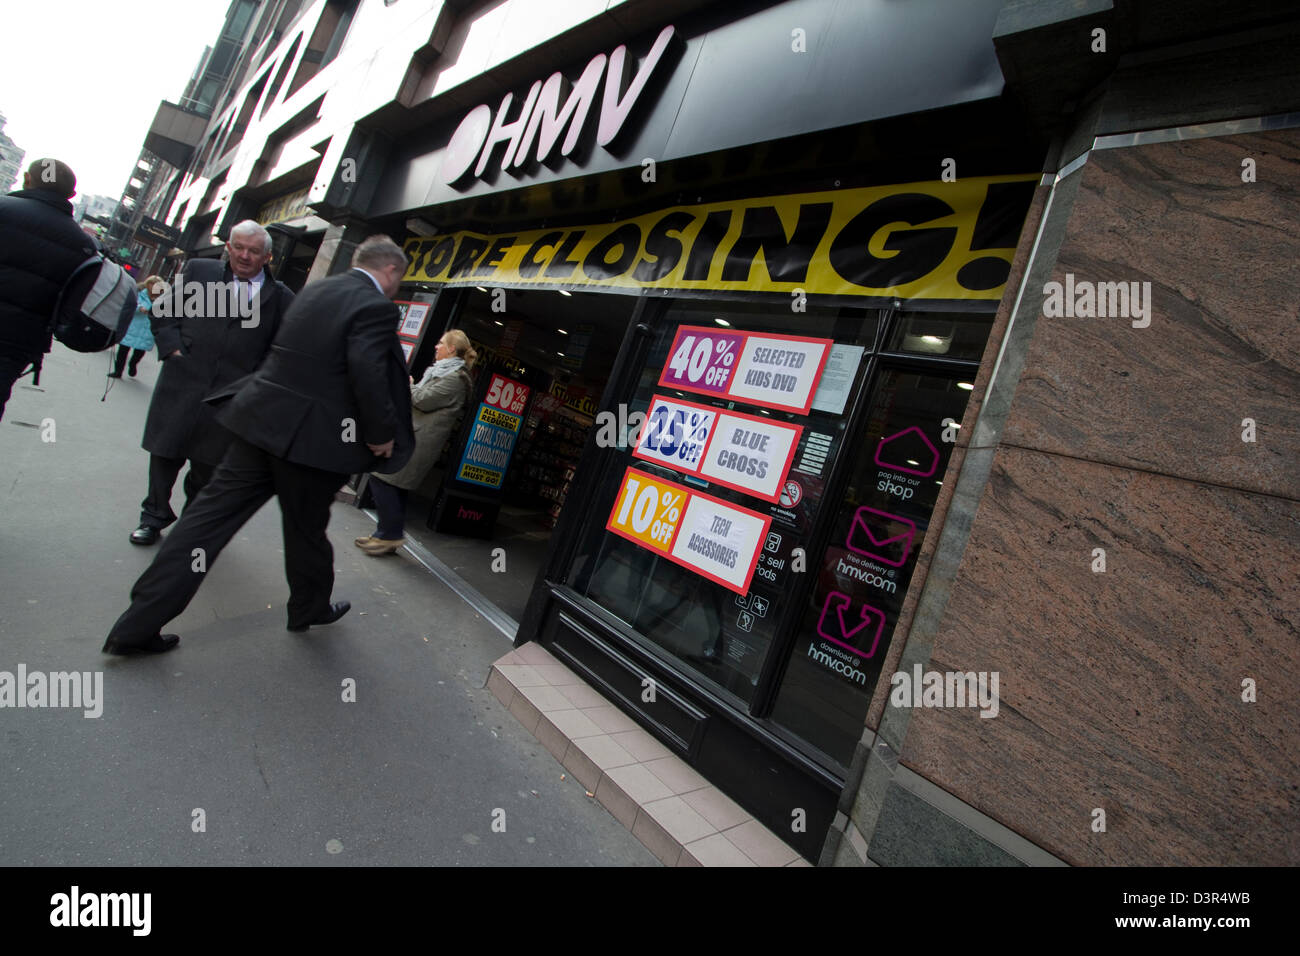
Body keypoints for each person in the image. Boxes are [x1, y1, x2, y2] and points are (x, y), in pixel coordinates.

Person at [101, 234, 416, 655]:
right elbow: (366, 370)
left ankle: (135, 625)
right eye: (398, 278)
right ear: (391, 270)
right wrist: (380, 434)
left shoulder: (315, 290)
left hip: (258, 425)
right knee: (306, 532)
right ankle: (309, 607)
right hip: (312, 447)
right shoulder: (375, 307)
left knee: (205, 523)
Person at [130, 221, 294, 545]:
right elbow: (164, 311)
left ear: (268, 257)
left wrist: (256, 382)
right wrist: (172, 348)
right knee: (164, 455)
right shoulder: (200, 272)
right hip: (183, 383)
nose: (245, 256)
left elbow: (283, 348)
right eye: (239, 248)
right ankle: (153, 517)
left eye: (254, 251)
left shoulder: (281, 297)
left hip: (230, 399)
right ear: (228, 248)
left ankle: (190, 528)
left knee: (208, 469)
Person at [356, 330, 477, 555]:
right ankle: (386, 535)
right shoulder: (443, 372)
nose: (436, 346)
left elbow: (421, 399)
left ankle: (390, 535)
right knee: (395, 485)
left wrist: (407, 384)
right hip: (413, 435)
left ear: (452, 349)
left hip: (420, 441)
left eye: (441, 343)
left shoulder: (456, 379)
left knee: (382, 478)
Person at [0, 158, 97, 420]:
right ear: (71, 195)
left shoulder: (3, 209)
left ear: (28, 179)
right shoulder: (85, 246)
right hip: (19, 342)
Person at [108, 275, 162, 378]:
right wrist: (140, 308)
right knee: (123, 350)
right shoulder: (139, 293)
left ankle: (133, 364)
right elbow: (131, 304)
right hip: (133, 325)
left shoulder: (162, 298)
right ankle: (118, 371)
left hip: (147, 329)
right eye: (151, 285)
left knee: (139, 352)